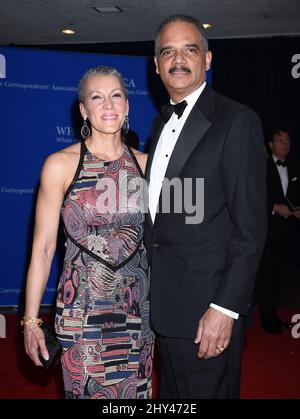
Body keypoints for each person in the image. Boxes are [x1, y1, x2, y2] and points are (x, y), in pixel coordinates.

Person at [144, 14, 267, 399]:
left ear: (208, 60)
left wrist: (225, 308)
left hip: (206, 312)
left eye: (189, 50)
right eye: (168, 52)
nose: (178, 60)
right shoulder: (159, 125)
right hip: (164, 306)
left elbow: (251, 228)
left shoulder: (237, 121)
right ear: (157, 65)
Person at [23, 66, 154, 399]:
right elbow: (42, 248)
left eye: (116, 96)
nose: (108, 106)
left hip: (137, 313)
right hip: (81, 315)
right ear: (83, 110)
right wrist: (30, 320)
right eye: (97, 97)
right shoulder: (59, 165)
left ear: (127, 106)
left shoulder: (149, 166)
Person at [258, 128, 300, 333]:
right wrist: (274, 208)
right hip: (266, 230)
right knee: (266, 275)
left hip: (287, 232)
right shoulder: (262, 167)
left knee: (278, 276)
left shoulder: (294, 167)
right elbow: (254, 196)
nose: (285, 145)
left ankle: (272, 313)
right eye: (280, 141)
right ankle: (267, 318)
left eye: (288, 141)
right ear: (270, 144)